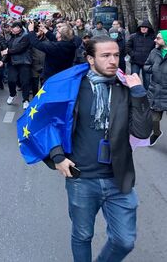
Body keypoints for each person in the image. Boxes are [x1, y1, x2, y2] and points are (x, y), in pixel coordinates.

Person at [46, 36, 152, 262]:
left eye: (116, 55)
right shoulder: (72, 86)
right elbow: (50, 123)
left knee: (125, 240)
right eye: (105, 56)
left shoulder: (126, 88)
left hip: (118, 179)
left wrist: (139, 93)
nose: (113, 61)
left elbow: (143, 132)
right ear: (90, 59)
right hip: (81, 178)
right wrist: (58, 157)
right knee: (82, 235)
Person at [144, 30, 167, 146]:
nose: (155, 40)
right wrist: (153, 69)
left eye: (158, 38)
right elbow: (146, 66)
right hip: (156, 90)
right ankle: (156, 133)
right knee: (154, 119)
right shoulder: (154, 52)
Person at [4, 21, 32, 109]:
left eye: (13, 27)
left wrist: (8, 51)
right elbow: (7, 48)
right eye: (11, 27)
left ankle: (26, 100)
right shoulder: (10, 37)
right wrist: (3, 60)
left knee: (25, 82)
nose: (11, 29)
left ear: (19, 28)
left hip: (24, 62)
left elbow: (20, 48)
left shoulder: (26, 36)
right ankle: (12, 94)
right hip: (12, 62)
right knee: (11, 80)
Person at [127, 20, 155, 89]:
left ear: (149, 28)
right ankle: (133, 94)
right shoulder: (133, 36)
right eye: (142, 27)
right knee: (134, 79)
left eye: (145, 27)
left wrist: (152, 58)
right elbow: (127, 46)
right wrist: (133, 54)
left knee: (147, 81)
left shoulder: (153, 38)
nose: (143, 28)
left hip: (147, 63)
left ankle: (146, 97)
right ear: (139, 28)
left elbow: (156, 49)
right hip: (135, 62)